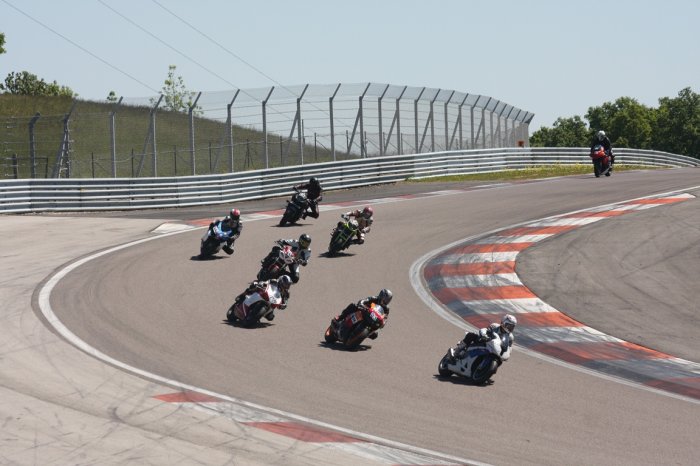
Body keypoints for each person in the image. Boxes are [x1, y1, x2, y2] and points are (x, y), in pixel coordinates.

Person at [452, 314, 517, 359]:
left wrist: (507, 354)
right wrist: (484, 335)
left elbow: (509, 348)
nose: (510, 328)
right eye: (509, 326)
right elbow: (485, 330)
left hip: (496, 350)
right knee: (471, 335)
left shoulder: (511, 337)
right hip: (484, 342)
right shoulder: (495, 326)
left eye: (512, 327)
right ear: (503, 323)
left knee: (500, 359)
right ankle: (457, 352)